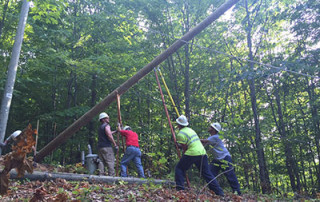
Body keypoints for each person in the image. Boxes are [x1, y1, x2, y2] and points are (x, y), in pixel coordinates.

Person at [175, 115, 224, 196]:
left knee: (179, 168)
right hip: (202, 153)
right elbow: (191, 143)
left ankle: (180, 190)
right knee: (207, 173)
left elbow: (185, 148)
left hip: (192, 153)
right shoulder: (191, 130)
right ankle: (219, 192)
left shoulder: (180, 134)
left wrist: (180, 149)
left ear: (178, 125)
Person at [201, 122, 241, 196]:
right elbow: (203, 144)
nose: (209, 127)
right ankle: (214, 190)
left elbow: (203, 141)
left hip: (225, 158)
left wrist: (193, 139)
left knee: (230, 175)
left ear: (214, 129)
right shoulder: (211, 138)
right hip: (217, 159)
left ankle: (237, 192)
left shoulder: (215, 137)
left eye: (211, 126)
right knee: (210, 173)